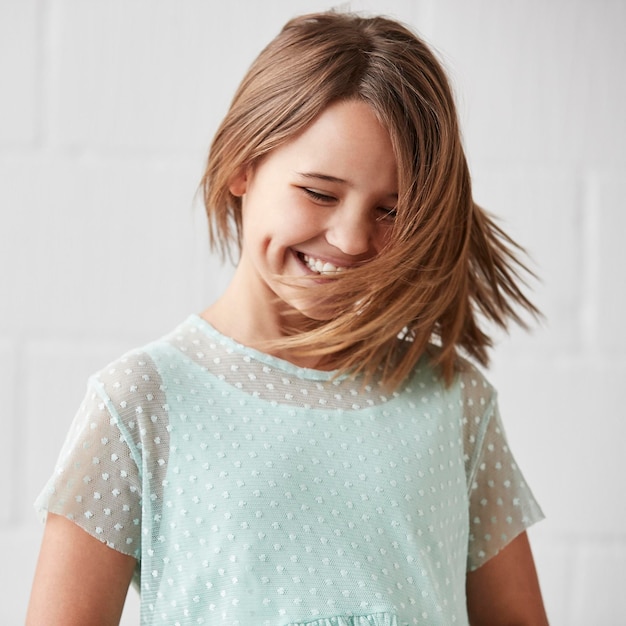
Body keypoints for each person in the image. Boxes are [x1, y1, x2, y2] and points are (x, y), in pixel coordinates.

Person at [26, 11, 549, 626]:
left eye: (391, 210)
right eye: (320, 193)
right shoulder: (139, 404)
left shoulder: (455, 402)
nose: (352, 239)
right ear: (243, 163)